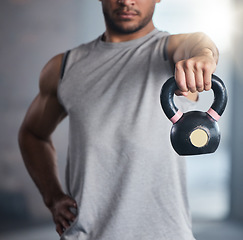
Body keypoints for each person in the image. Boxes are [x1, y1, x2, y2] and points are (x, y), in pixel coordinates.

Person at [18, 0, 218, 239]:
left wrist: (204, 56)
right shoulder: (63, 67)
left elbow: (196, 42)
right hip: (86, 234)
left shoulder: (170, 52)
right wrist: (52, 197)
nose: (126, 1)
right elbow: (32, 134)